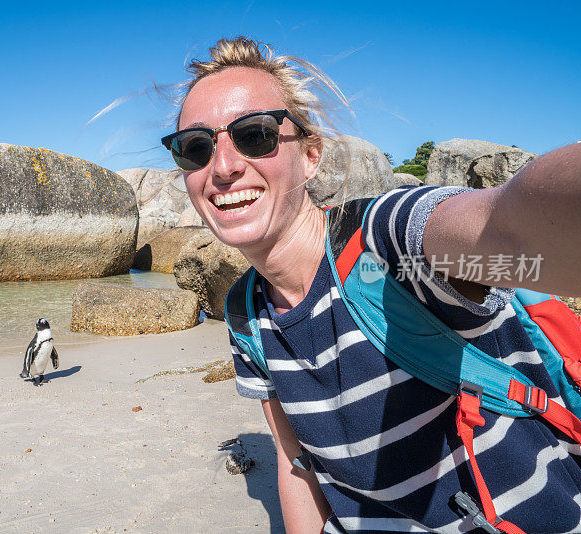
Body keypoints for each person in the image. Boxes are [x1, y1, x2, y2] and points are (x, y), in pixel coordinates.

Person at [161, 36, 581, 533]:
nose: (224, 167)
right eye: (196, 147)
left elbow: (507, 227)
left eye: (256, 135)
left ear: (311, 154)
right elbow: (297, 466)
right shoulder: (245, 312)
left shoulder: (386, 246)